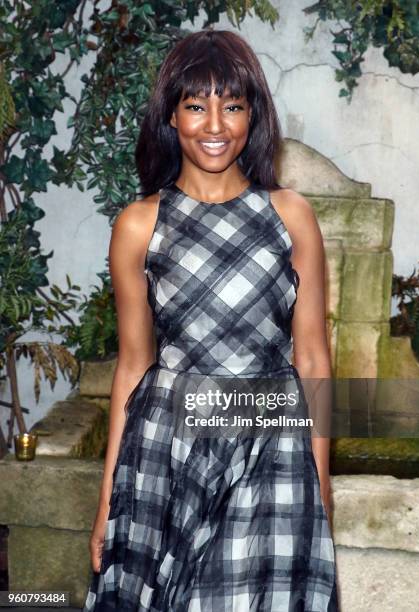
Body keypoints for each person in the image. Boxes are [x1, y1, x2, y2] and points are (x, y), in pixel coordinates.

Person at [83, 29, 339, 611]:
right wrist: (106, 506)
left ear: (253, 116)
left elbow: (313, 360)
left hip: (270, 451)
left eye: (233, 105)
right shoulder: (138, 226)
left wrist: (318, 487)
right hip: (166, 453)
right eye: (197, 105)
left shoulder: (291, 216)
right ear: (171, 116)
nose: (215, 125)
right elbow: (133, 368)